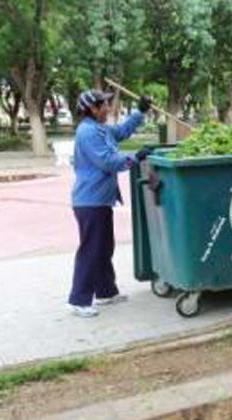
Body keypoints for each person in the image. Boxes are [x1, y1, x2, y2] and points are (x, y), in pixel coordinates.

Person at [67, 89, 153, 317]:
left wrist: (140, 111)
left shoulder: (100, 129)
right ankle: (78, 299)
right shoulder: (87, 133)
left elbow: (122, 131)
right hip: (89, 201)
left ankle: (105, 291)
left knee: (103, 247)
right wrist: (136, 157)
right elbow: (107, 161)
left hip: (100, 200)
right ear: (92, 109)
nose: (108, 108)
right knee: (92, 249)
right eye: (104, 105)